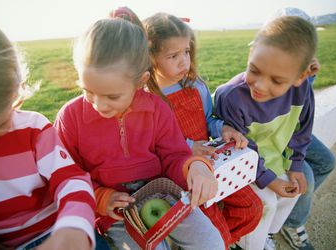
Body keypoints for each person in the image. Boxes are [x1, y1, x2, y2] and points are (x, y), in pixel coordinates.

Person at [54, 17, 225, 250]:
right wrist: (101, 197)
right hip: (114, 213)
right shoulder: (71, 117)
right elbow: (66, 175)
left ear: (140, 81)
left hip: (163, 196)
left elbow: (175, 156)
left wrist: (195, 167)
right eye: (88, 91)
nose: (98, 105)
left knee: (211, 243)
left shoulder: (157, 109)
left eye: (112, 96)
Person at [0, 18, 97, 250]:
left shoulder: (32, 129)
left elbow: (71, 181)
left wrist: (72, 229)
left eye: (4, 120)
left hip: (54, 232)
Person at [143, 12, 263, 248]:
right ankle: (222, 242)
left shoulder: (195, 85)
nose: (183, 62)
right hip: (183, 177)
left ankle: (226, 242)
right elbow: (153, 144)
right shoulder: (148, 99)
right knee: (215, 231)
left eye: (186, 52)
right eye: (173, 55)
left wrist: (224, 129)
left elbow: (210, 119)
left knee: (253, 208)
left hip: (213, 164)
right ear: (150, 58)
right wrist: (188, 147)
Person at [214, 16, 319, 250]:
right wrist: (269, 180)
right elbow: (237, 150)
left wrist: (296, 165)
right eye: (255, 70)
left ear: (301, 76)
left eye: (277, 80)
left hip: (273, 159)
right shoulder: (231, 96)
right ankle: (250, 244)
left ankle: (266, 235)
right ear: (251, 53)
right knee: (266, 203)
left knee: (293, 191)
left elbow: (302, 129)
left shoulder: (302, 90)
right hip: (243, 164)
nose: (260, 85)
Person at [265, 8, 336, 250]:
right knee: (306, 177)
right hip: (275, 136)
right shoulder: (271, 66)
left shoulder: (303, 69)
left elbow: (304, 112)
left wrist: (307, 76)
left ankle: (290, 213)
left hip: (294, 132)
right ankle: (292, 223)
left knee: (326, 161)